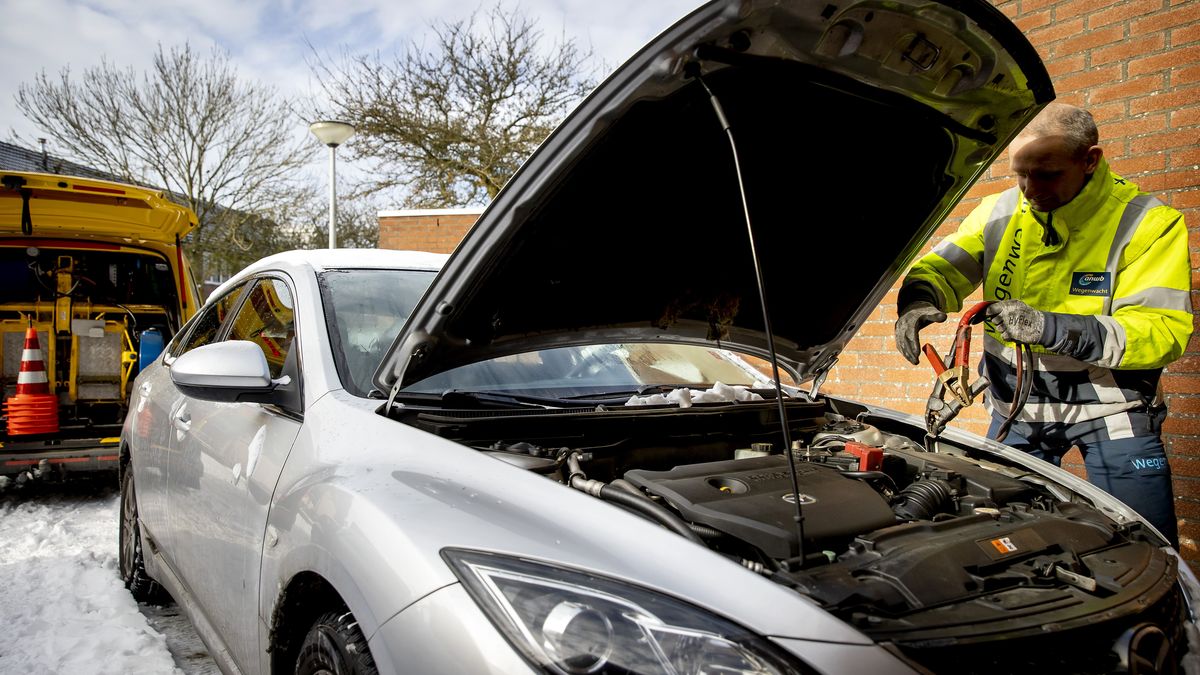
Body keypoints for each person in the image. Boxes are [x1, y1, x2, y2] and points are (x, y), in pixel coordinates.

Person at [893, 102, 1192, 548]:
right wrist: (918, 300)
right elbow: (940, 268)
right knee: (999, 534)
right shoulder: (999, 211)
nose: (1030, 190)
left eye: (1047, 174)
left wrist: (1051, 328)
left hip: (1112, 413)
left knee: (1145, 545)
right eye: (1021, 174)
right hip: (1018, 410)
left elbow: (1162, 330)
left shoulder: (1147, 223)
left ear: (1089, 160)